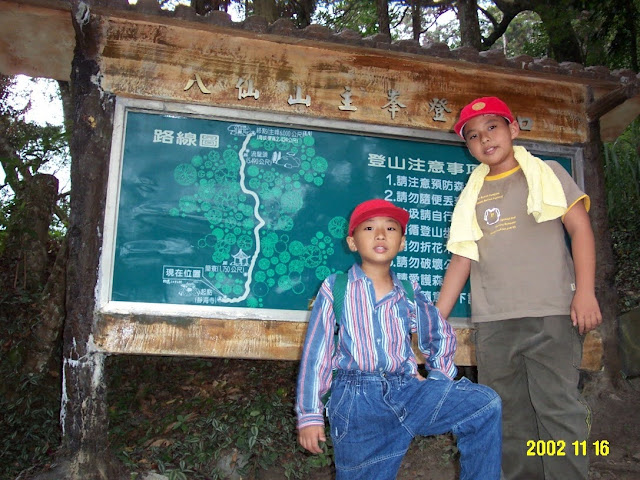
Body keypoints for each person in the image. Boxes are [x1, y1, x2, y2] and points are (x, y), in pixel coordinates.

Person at [436, 96, 603, 480]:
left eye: (492, 127)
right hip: (494, 323)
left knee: (558, 409)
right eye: (473, 135)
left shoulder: (548, 173)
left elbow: (580, 229)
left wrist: (586, 291)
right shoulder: (472, 194)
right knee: (507, 415)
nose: (485, 139)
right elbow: (462, 258)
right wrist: (436, 318)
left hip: (552, 315)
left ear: (513, 129)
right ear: (469, 146)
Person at [296, 198, 502, 480]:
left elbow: (437, 332)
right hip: (358, 404)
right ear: (352, 242)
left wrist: (438, 378)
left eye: (391, 229)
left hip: (408, 392)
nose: (380, 235)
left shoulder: (408, 291)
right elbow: (315, 354)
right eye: (369, 228)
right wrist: (310, 414)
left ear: (402, 243)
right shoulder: (336, 287)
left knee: (483, 405)